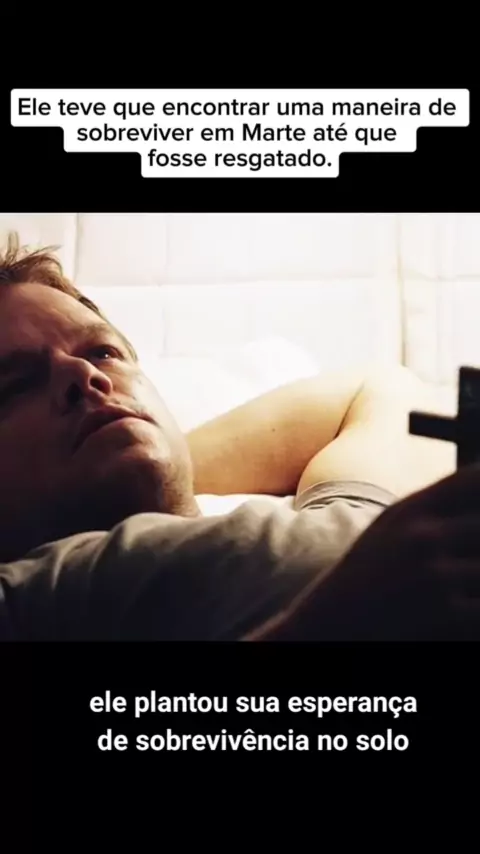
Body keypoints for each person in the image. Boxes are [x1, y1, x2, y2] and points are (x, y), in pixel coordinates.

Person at [0, 231, 471, 642]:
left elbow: (380, 387)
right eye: (15, 385)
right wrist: (321, 627)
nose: (85, 375)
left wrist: (158, 459)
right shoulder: (34, 594)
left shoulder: (342, 520)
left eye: (103, 353)